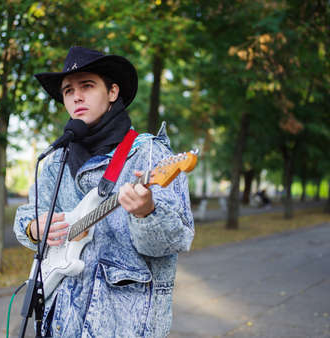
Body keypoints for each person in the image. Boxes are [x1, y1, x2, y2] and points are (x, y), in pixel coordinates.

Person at [13, 46, 194, 337]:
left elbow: (175, 240)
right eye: (68, 90)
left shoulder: (149, 155)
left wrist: (147, 212)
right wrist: (35, 227)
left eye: (87, 86)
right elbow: (26, 217)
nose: (76, 97)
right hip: (59, 322)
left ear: (112, 92)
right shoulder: (54, 162)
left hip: (122, 326)